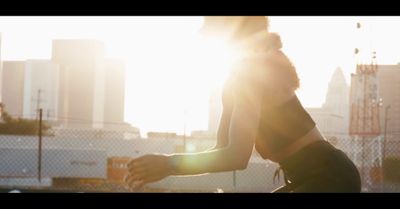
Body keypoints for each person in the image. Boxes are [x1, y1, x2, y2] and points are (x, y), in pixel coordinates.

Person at [125, 16, 361, 193]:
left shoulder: (253, 71)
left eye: (211, 24)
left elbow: (237, 157)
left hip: (328, 176)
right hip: (312, 175)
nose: (204, 30)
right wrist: (168, 165)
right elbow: (223, 150)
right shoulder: (236, 78)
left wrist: (169, 163)